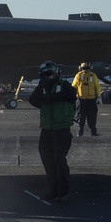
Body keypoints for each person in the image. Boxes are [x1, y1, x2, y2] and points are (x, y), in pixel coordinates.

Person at [28, 61, 76, 202]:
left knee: (59, 160)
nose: (47, 76)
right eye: (44, 74)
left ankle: (63, 190)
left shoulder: (63, 85)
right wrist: (42, 85)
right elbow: (33, 101)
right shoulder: (43, 87)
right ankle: (52, 189)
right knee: (47, 159)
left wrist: (53, 98)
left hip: (61, 129)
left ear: (55, 73)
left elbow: (72, 95)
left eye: (49, 73)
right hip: (47, 129)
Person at [71, 62, 101, 136]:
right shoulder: (78, 76)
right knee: (80, 117)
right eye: (83, 68)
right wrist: (72, 96)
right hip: (81, 99)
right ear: (81, 69)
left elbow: (97, 86)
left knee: (92, 118)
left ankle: (93, 132)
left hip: (91, 99)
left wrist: (99, 96)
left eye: (87, 68)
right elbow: (74, 86)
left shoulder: (93, 76)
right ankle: (79, 133)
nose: (85, 70)